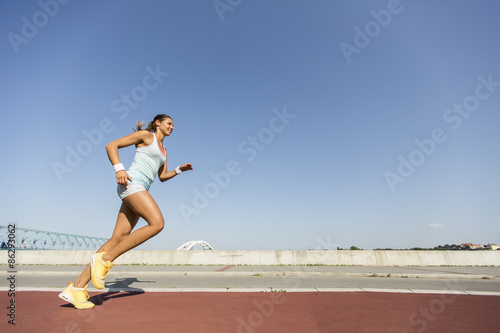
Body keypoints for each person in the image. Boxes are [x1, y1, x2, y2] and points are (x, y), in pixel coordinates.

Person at [59, 114, 193, 309]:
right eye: (169, 123)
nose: (172, 127)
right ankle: (105, 259)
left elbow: (162, 176)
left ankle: (77, 288)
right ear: (158, 123)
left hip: (140, 189)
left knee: (118, 237)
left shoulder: (164, 151)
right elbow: (111, 146)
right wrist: (119, 169)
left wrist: (179, 170)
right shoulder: (146, 136)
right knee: (157, 223)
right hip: (131, 183)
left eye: (173, 124)